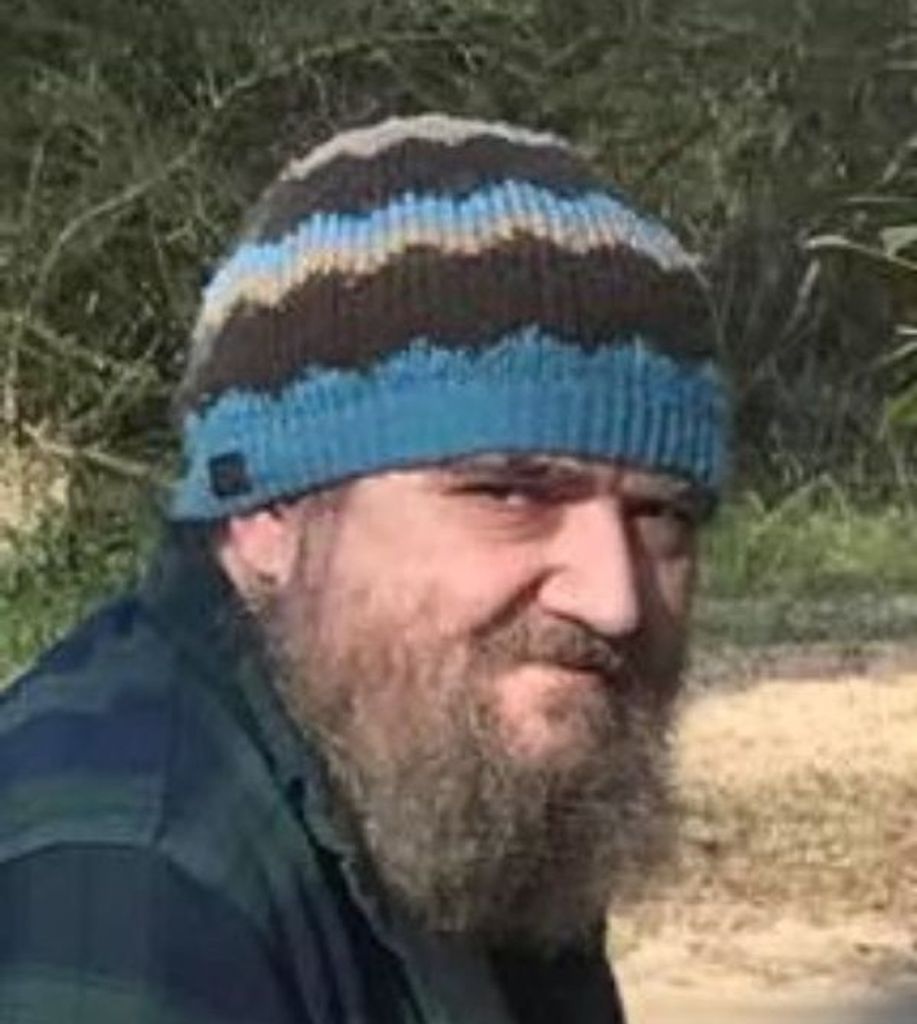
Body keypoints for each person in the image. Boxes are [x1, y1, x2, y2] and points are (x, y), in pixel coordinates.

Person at [0, 113, 727, 1023]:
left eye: (661, 514)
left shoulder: (447, 780)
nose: (613, 598)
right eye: (509, 493)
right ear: (269, 515)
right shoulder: (124, 883)